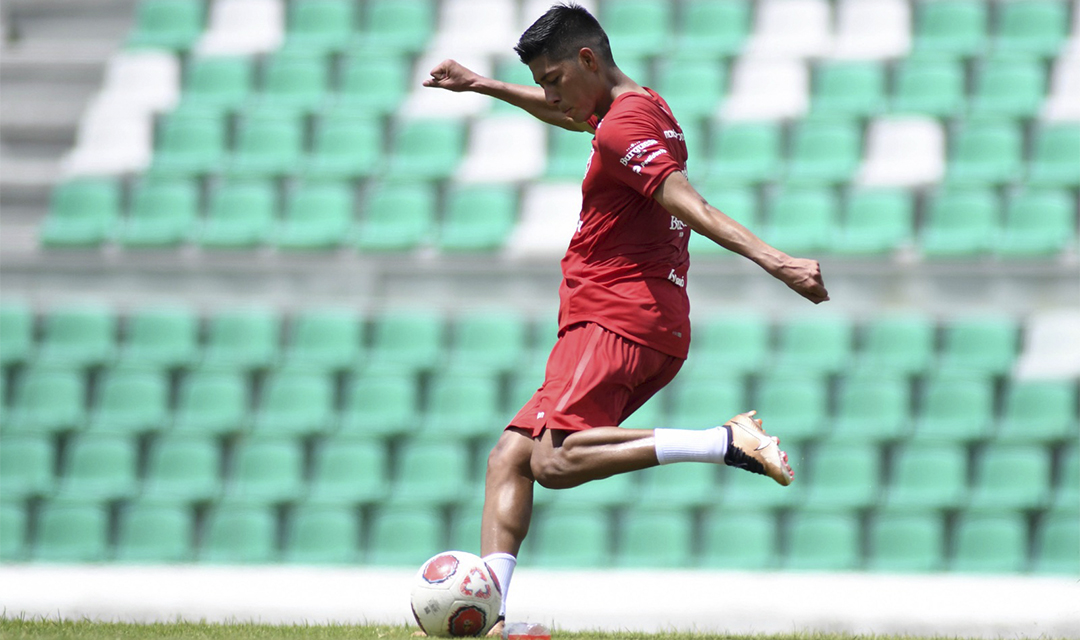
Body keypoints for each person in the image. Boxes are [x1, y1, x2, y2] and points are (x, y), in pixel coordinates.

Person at [423, 2, 829, 634]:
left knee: (553, 462)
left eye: (552, 77)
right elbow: (571, 116)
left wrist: (777, 262)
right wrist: (482, 85)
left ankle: (725, 442)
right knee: (510, 456)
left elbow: (687, 202)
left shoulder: (621, 128)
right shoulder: (640, 108)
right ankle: (492, 621)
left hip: (619, 315)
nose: (548, 93)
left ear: (587, 59)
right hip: (621, 313)